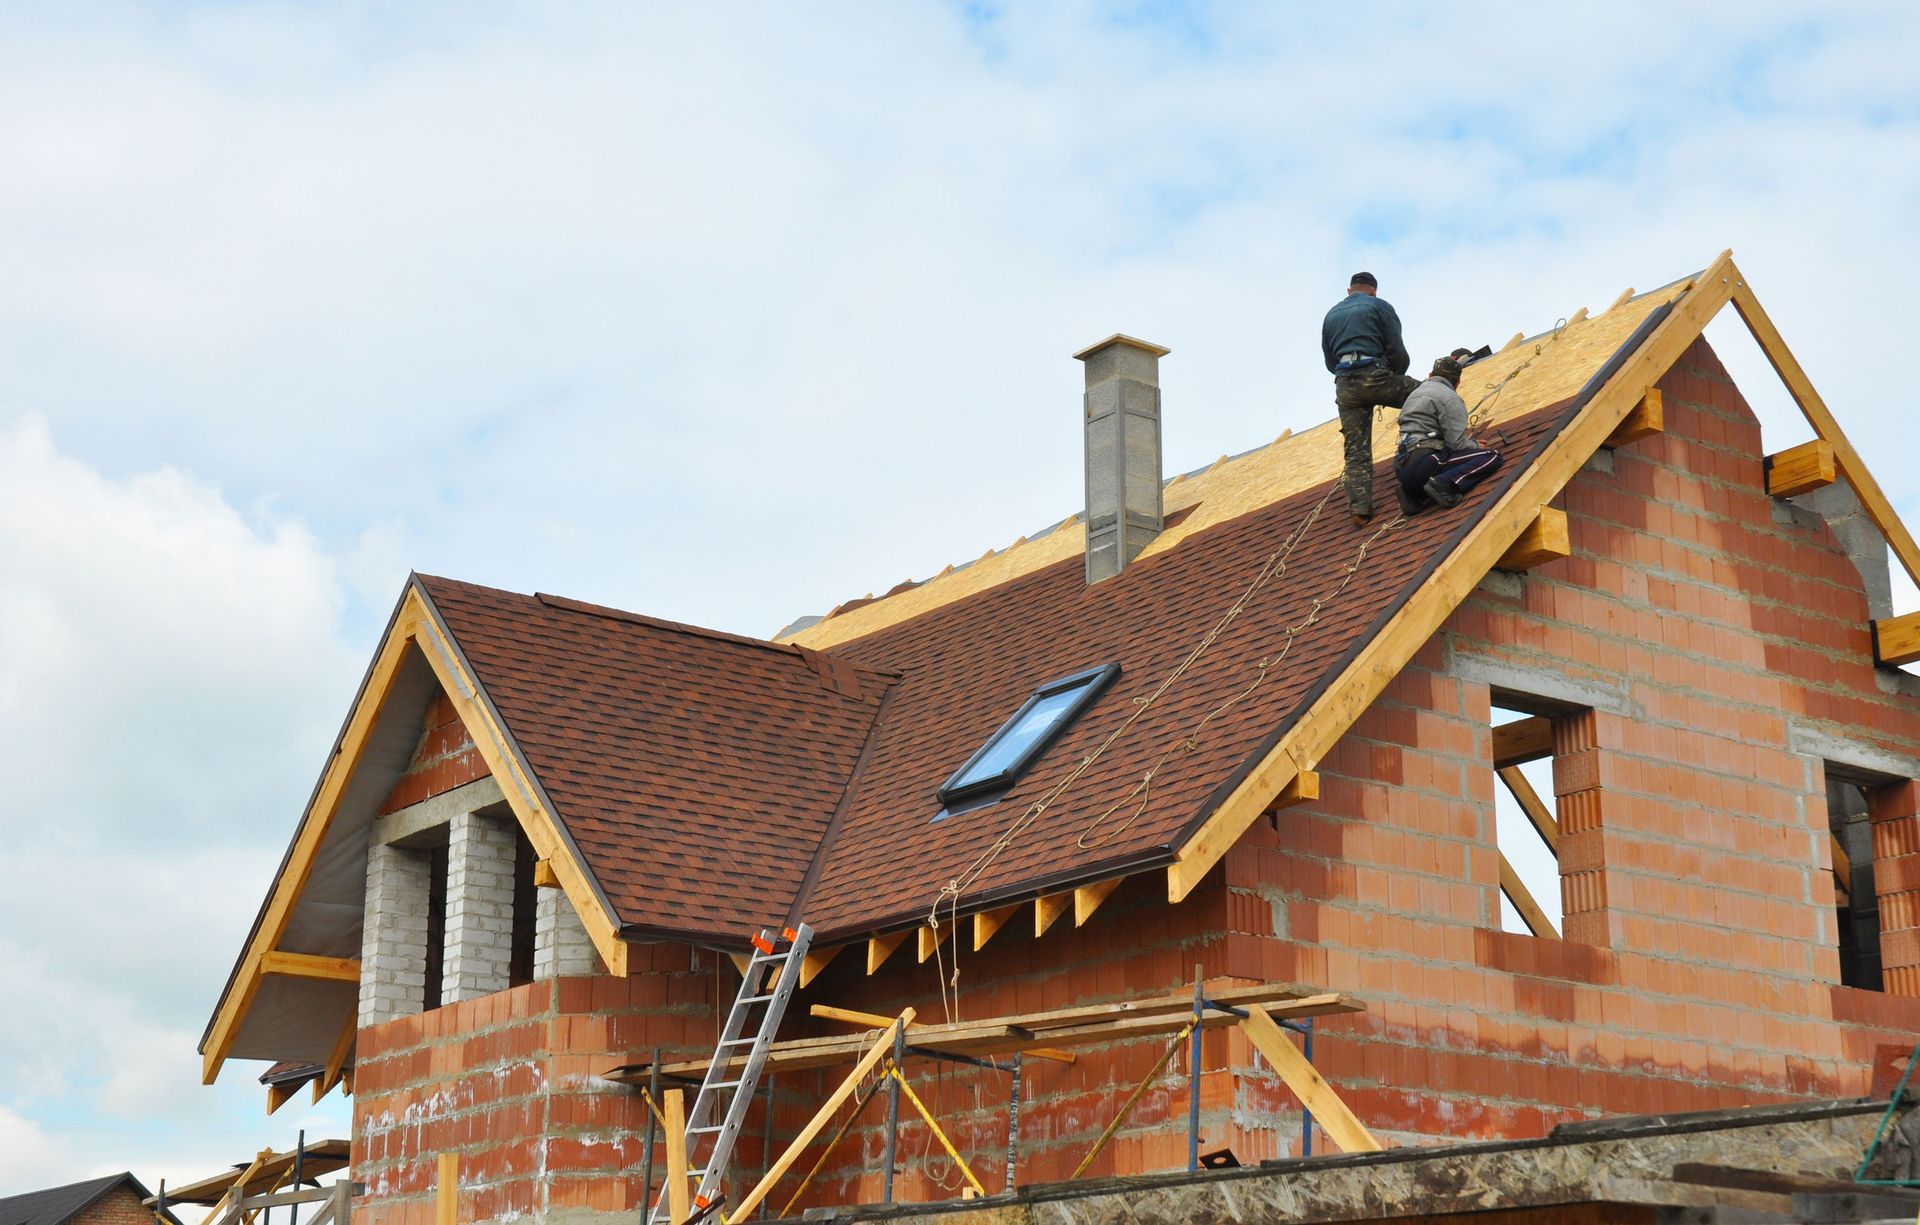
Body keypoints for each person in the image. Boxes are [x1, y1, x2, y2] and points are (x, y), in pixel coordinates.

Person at [1322, 272, 1419, 523]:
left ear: (1349, 291)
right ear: (1373, 290)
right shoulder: (1379, 306)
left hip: (1345, 385)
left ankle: (1360, 509)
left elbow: (1329, 360)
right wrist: (1393, 377)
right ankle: (1435, 449)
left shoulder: (1331, 315)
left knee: (1356, 450)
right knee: (1427, 393)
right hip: (1374, 375)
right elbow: (1397, 350)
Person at [1394, 355, 1504, 515]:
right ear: (1457, 382)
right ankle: (1443, 484)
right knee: (1492, 456)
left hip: (1402, 467)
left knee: (1440, 464)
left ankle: (1413, 494)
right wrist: (1475, 446)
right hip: (1427, 459)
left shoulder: (1414, 395)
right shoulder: (1449, 398)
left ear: (1431, 375)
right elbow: (1457, 443)